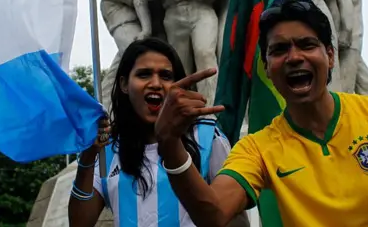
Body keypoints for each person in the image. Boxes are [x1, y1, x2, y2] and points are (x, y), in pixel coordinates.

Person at [155, 0, 368, 227]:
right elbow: (214, 213)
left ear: (330, 56)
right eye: (279, 50)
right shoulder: (259, 148)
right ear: (267, 68)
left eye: (307, 45)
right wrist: (169, 143)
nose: (294, 57)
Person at [68, 37, 249, 227]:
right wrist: (88, 157)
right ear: (124, 84)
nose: (155, 83)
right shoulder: (108, 149)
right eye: (144, 74)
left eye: (165, 76)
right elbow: (80, 223)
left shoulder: (207, 137)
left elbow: (235, 219)